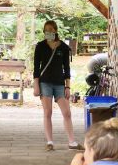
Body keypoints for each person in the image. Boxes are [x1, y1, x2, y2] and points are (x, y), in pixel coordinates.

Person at [33, 20, 83, 151]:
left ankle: (72, 142)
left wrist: (68, 87)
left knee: (67, 113)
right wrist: (36, 85)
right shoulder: (40, 46)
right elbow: (36, 68)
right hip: (45, 83)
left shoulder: (64, 48)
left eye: (50, 29)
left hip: (60, 84)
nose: (48, 32)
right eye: (46, 30)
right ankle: (50, 142)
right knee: (47, 112)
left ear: (55, 31)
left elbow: (66, 69)